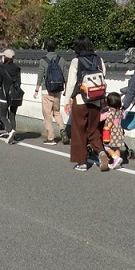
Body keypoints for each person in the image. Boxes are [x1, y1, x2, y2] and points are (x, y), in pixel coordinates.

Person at [65, 37, 109, 172]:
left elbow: (71, 82)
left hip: (80, 99)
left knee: (79, 131)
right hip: (96, 100)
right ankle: (101, 153)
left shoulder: (76, 61)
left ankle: (82, 163)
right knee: (93, 129)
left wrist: (67, 101)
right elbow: (103, 78)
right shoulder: (99, 60)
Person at [33, 40, 67, 146]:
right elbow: (65, 75)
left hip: (47, 90)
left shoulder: (43, 60)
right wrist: (66, 88)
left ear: (46, 48)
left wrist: (36, 90)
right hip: (58, 89)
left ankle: (51, 138)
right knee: (56, 112)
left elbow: (40, 76)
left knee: (47, 114)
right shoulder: (61, 60)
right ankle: (62, 129)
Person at [0, 48, 23, 144]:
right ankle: (13, 134)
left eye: (3, 56)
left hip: (5, 94)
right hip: (15, 95)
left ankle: (10, 130)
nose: (1, 57)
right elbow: (19, 82)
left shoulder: (1, 68)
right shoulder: (17, 68)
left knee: (2, 116)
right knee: (12, 116)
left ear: (5, 57)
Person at [101, 91, 125, 170]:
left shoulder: (110, 112)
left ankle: (115, 158)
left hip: (111, 133)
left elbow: (105, 120)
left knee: (107, 146)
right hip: (119, 132)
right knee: (116, 148)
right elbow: (122, 117)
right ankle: (117, 162)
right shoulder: (120, 112)